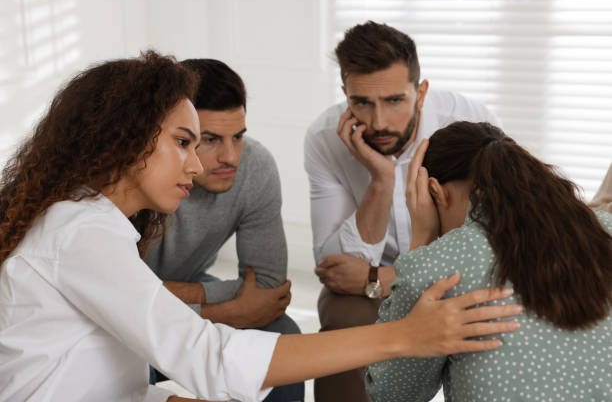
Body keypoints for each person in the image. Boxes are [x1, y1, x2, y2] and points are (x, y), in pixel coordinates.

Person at [0, 51, 521, 402]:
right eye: (185, 142)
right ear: (123, 138)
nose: (200, 164)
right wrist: (402, 337)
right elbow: (209, 355)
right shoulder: (78, 231)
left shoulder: (89, 221)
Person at [304, 21, 501, 401]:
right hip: (369, 290)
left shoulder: (467, 125)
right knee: (342, 316)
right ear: (345, 93)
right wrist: (380, 180)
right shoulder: (324, 138)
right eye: (361, 102)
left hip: (450, 276)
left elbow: (494, 247)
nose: (378, 122)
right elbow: (334, 268)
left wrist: (380, 275)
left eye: (394, 100)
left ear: (421, 92)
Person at [365, 121, 612, 401]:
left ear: (433, 191)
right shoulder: (605, 230)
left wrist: (420, 241)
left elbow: (391, 394)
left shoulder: (437, 266)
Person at [144, 59, 303, 401]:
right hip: (109, 316)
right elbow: (122, 299)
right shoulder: (133, 176)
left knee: (281, 335)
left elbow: (266, 289)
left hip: (173, 290)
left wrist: (194, 296)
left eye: (238, 137)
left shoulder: (254, 167)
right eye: (210, 139)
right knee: (123, 359)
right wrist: (229, 313)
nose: (230, 156)